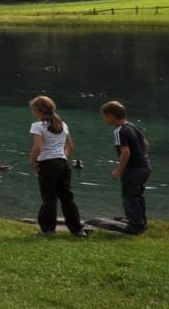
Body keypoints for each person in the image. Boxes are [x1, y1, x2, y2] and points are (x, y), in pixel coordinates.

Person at [27, 95, 87, 237]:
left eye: (33, 110)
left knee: (49, 198)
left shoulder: (37, 126)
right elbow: (70, 147)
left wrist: (32, 161)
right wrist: (63, 158)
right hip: (62, 164)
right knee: (67, 198)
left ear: (38, 110)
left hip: (47, 164)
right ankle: (77, 229)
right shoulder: (62, 124)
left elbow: (37, 147)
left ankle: (48, 230)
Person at [101, 100, 150, 234]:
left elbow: (125, 152)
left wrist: (118, 170)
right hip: (144, 166)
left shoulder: (119, 131)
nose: (104, 119)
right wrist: (142, 157)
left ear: (110, 116)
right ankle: (141, 223)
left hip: (132, 170)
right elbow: (146, 144)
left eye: (104, 116)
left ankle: (134, 226)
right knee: (138, 195)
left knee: (129, 197)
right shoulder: (133, 126)